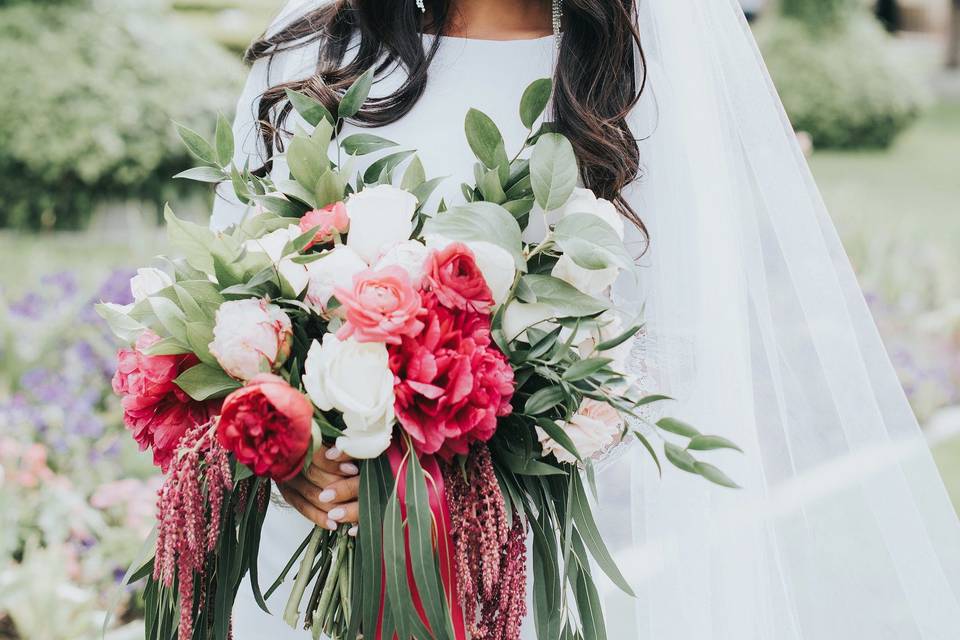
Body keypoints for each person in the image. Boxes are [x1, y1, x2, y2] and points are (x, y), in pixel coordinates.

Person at [212, 0, 960, 637]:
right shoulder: (314, 56)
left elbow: (667, 344)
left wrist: (530, 424)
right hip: (309, 533)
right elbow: (224, 301)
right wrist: (290, 454)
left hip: (508, 557)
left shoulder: (631, 94)